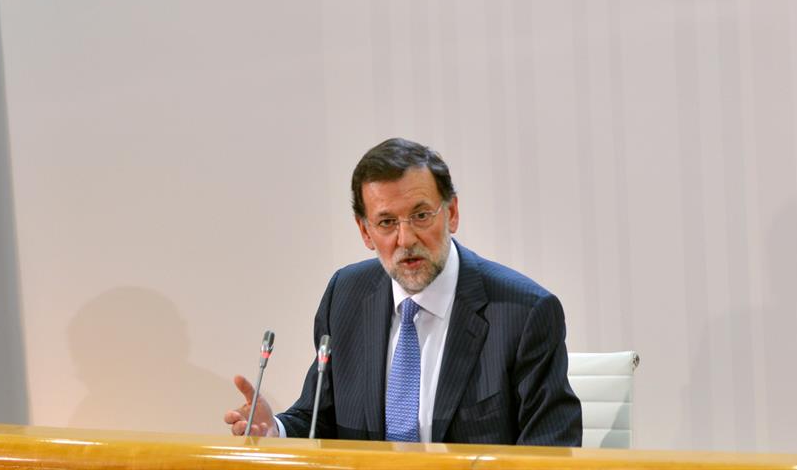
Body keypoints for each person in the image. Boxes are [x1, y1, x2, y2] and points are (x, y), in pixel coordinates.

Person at [224, 138, 582, 446]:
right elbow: (321, 417)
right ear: (365, 232)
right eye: (386, 222)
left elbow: (551, 449)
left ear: (451, 213)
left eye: (421, 215)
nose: (406, 239)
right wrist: (278, 430)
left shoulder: (523, 313)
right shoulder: (345, 297)